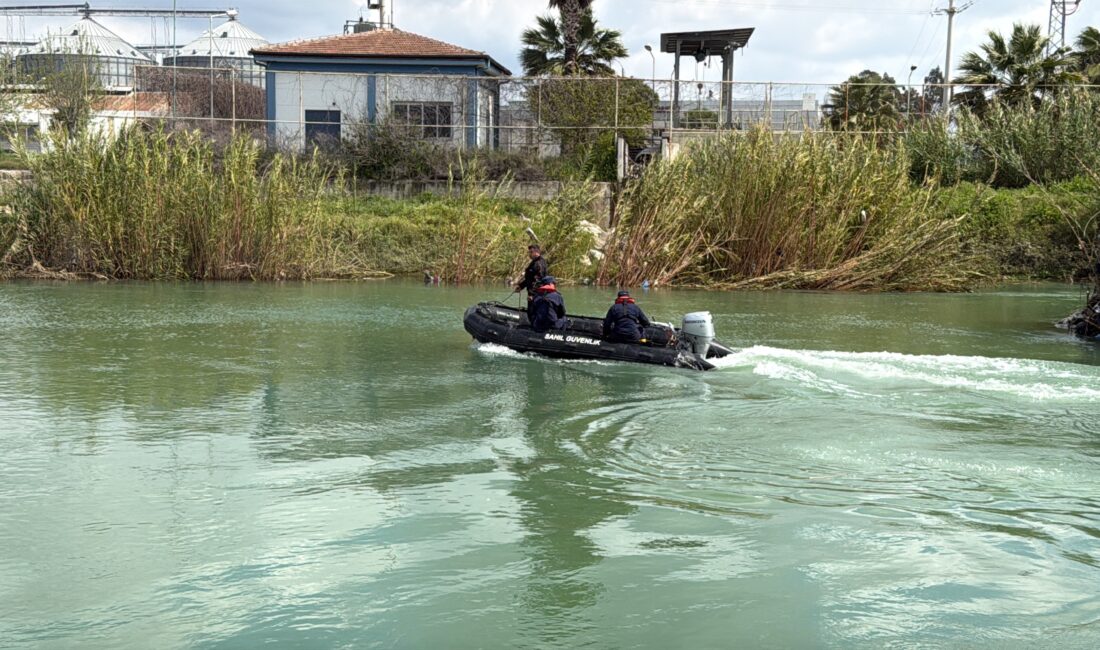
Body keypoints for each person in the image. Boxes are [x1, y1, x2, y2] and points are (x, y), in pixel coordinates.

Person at [515, 244, 549, 313]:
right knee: (530, 312)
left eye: (531, 252)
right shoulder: (534, 262)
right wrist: (521, 286)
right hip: (533, 292)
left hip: (537, 293)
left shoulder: (539, 263)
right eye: (529, 252)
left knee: (533, 312)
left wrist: (531, 294)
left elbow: (538, 280)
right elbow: (530, 278)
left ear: (537, 252)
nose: (529, 254)